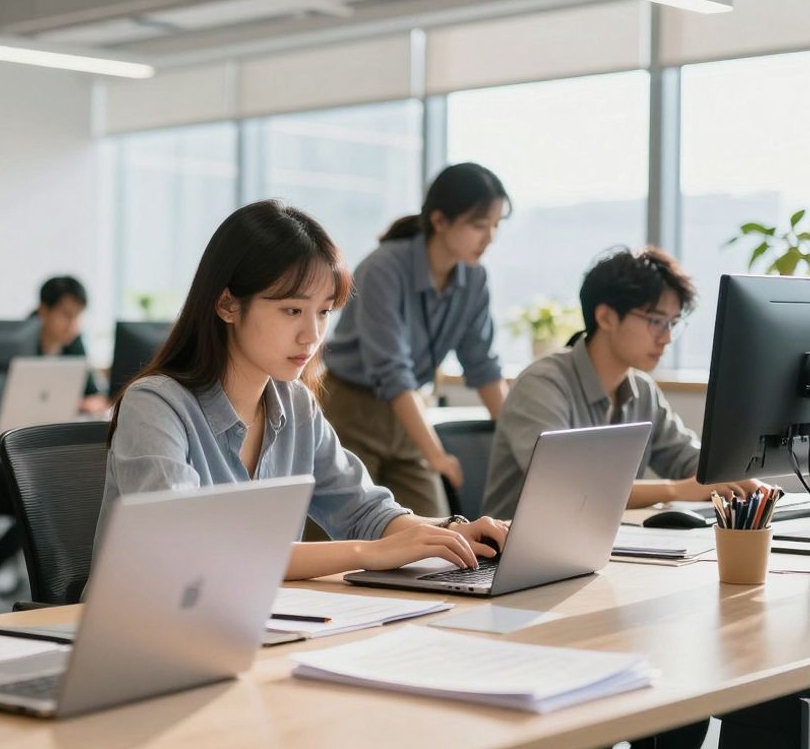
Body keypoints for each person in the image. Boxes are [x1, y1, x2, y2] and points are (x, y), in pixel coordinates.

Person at [99, 199, 507, 581]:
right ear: (227, 305)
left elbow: (367, 511)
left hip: (254, 622)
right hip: (144, 636)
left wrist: (457, 531)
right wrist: (366, 554)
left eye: (324, 312)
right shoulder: (155, 405)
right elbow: (190, 551)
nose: (312, 335)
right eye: (292, 310)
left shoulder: (295, 407)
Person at [483, 247, 759, 520]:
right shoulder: (541, 385)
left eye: (672, 323)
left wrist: (734, 478)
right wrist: (676, 490)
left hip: (602, 545)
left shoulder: (642, 390)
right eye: (655, 321)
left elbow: (687, 459)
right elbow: (569, 488)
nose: (666, 338)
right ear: (605, 317)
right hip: (514, 553)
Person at [321, 162, 512, 517]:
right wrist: (436, 454)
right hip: (351, 412)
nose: (489, 238)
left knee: (438, 535)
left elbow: (482, 365)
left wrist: (524, 440)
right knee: (338, 537)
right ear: (439, 220)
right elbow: (392, 371)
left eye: (496, 225)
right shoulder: (383, 268)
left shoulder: (474, 279)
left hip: (410, 416)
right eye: (478, 224)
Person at [33, 275, 109, 414]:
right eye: (67, 315)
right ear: (43, 310)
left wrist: (94, 401)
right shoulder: (20, 342)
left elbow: (92, 392)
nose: (74, 324)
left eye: (78, 316)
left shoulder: (74, 343)